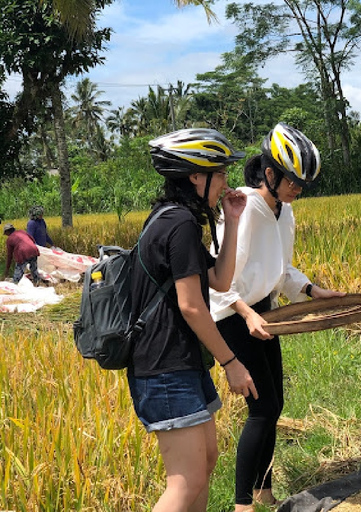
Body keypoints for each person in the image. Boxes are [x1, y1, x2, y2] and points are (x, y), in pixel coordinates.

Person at [210, 123, 346, 511]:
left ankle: (263, 490)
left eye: (303, 184)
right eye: (292, 181)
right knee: (262, 408)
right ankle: (242, 505)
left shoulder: (283, 212)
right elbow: (220, 279)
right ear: (269, 173)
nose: (297, 190)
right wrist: (247, 313)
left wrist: (313, 290)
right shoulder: (245, 208)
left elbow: (280, 269)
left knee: (276, 402)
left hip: (263, 313)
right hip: (234, 315)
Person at [128, 128, 256, 512]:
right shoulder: (178, 224)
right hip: (165, 366)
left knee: (206, 460)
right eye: (219, 174)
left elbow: (218, 281)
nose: (225, 183)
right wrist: (231, 363)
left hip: (181, 361)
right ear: (195, 177)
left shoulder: (176, 219)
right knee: (185, 482)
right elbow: (192, 306)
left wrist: (232, 222)